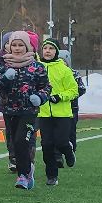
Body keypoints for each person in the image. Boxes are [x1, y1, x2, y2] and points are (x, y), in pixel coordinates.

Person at [0, 30, 49, 189]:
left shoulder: (37, 67)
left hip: (29, 111)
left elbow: (46, 87)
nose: (17, 48)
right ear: (9, 46)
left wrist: (40, 97)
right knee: (15, 142)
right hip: (9, 110)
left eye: (21, 45)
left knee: (22, 140)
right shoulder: (1, 65)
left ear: (27, 47)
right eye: (14, 45)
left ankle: (24, 174)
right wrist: (5, 78)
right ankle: (26, 171)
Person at [37, 35, 82, 186]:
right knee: (47, 145)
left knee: (61, 141)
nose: (47, 51)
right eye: (45, 48)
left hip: (62, 114)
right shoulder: (37, 68)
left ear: (56, 51)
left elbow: (74, 90)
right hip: (43, 114)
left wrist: (60, 97)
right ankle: (51, 175)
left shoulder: (64, 70)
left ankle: (68, 152)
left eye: (51, 48)